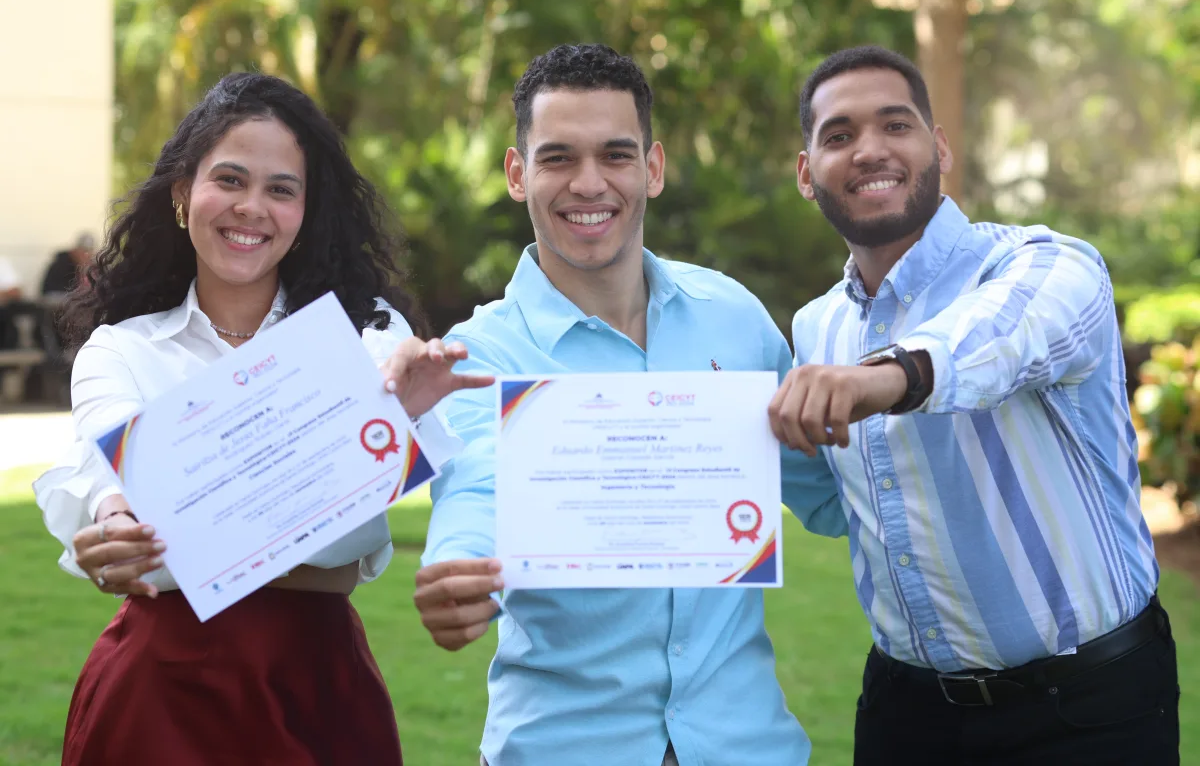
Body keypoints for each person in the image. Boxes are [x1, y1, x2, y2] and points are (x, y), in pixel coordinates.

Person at [32, 72, 492, 766]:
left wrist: (401, 400)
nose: (252, 208)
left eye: (282, 189)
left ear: (308, 210)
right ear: (184, 192)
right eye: (231, 179)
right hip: (158, 690)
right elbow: (111, 470)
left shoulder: (364, 333)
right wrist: (116, 526)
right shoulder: (121, 350)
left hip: (320, 686)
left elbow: (391, 400)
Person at [411, 44, 846, 766]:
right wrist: (458, 566)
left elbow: (828, 499)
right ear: (518, 175)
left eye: (615, 155)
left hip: (748, 746)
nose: (589, 184)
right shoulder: (477, 355)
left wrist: (864, 406)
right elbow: (476, 489)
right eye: (557, 158)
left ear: (653, 168)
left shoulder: (734, 319)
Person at [768, 44, 1178, 765]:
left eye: (896, 126)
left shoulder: (1047, 264)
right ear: (807, 173)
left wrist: (882, 377)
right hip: (906, 714)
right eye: (838, 136)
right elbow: (838, 507)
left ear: (940, 146)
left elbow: (993, 341)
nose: (869, 151)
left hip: (1088, 710)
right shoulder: (815, 328)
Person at [41, 232, 95, 296]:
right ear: (75, 250)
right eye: (83, 251)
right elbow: (50, 290)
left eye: (89, 251)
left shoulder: (92, 267)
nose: (86, 255)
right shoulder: (61, 264)